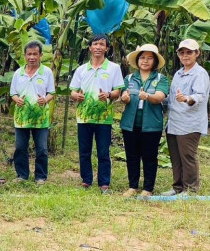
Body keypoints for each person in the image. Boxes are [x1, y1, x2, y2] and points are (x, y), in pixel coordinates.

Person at [69, 34, 124, 193]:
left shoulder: (114, 68)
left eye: (101, 44)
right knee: (84, 151)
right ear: (90, 48)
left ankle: (104, 183)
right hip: (84, 117)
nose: (98, 47)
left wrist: (108, 94)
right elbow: (73, 91)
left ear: (107, 48)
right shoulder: (81, 69)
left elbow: (118, 91)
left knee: (103, 151)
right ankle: (86, 180)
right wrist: (76, 96)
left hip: (104, 118)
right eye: (95, 44)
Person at [120, 43, 170, 197]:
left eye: (149, 58)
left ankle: (148, 188)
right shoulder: (129, 78)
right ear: (137, 60)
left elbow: (160, 97)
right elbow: (124, 96)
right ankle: (132, 186)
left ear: (155, 61)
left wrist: (148, 96)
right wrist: (125, 98)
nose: (145, 61)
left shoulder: (161, 79)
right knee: (132, 156)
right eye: (142, 57)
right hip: (130, 124)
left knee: (149, 157)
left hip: (151, 125)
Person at [162, 39, 210, 196]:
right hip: (174, 122)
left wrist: (187, 99)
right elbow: (171, 97)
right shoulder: (178, 73)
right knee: (176, 157)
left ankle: (190, 188)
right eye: (182, 52)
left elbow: (199, 96)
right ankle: (178, 187)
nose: (185, 55)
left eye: (189, 52)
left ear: (197, 53)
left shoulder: (199, 73)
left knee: (188, 156)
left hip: (189, 123)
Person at [10, 41, 55, 185]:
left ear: (41, 55)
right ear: (25, 56)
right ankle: (22, 175)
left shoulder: (46, 72)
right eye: (29, 54)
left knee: (41, 148)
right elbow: (13, 93)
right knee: (20, 147)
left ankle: (40, 176)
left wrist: (45, 99)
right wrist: (17, 100)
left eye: (35, 54)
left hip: (40, 117)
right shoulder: (18, 73)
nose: (32, 57)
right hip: (21, 117)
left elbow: (51, 92)